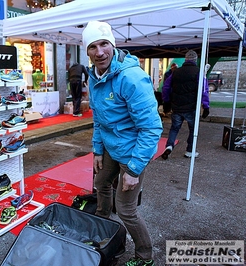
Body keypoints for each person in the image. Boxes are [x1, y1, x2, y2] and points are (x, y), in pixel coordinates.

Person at [82, 21, 163, 266]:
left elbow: (151, 129)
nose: (99, 52)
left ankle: (145, 256)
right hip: (110, 147)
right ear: (87, 51)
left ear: (113, 45)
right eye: (92, 46)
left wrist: (133, 170)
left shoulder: (131, 77)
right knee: (101, 183)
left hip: (132, 153)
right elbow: (99, 119)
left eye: (104, 44)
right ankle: (101, 227)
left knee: (127, 210)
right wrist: (97, 150)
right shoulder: (94, 76)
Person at [161, 50, 210, 160]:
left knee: (174, 128)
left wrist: (166, 102)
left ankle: (169, 146)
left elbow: (166, 87)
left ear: (185, 59)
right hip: (191, 107)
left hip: (176, 106)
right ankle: (190, 150)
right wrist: (206, 106)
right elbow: (204, 90)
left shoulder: (175, 72)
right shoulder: (198, 72)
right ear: (195, 60)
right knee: (193, 129)